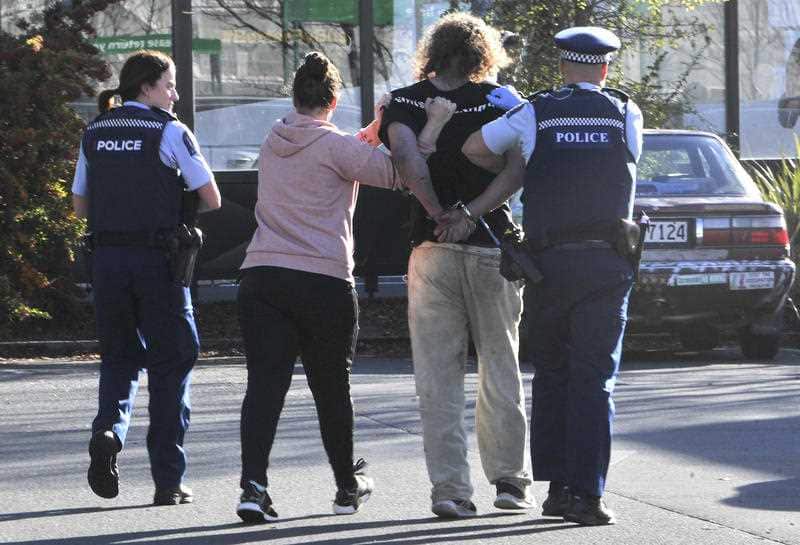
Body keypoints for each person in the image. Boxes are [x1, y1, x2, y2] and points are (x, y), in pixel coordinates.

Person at [235, 51, 454, 523]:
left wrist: (370, 134)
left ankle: (253, 488)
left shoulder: (273, 139)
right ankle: (344, 487)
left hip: (262, 276)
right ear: (334, 100)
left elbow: (333, 150)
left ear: (295, 96)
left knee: (264, 387)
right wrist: (430, 126)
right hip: (322, 280)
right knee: (331, 387)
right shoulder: (336, 147)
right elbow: (401, 174)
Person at [459, 26, 644, 525]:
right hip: (607, 265)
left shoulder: (534, 111)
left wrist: (522, 159)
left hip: (549, 267)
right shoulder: (626, 112)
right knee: (595, 379)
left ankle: (558, 490)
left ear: (562, 65)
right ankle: (590, 494)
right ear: (605, 67)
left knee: (555, 374)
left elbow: (474, 148)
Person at [378, 12, 533, 519]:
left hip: (430, 249)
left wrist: (438, 215)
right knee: (500, 366)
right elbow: (517, 172)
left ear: (433, 51)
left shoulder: (401, 100)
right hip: (493, 249)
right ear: (482, 53)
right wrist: (470, 214)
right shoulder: (502, 100)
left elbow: (408, 161)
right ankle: (509, 482)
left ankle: (450, 491)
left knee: (437, 377)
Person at [72, 50, 222, 505]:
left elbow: (80, 206)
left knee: (118, 358)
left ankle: (109, 434)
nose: (175, 95)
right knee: (172, 363)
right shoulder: (169, 129)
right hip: (159, 263)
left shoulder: (94, 131)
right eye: (170, 85)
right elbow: (211, 197)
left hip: (107, 262)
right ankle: (168, 481)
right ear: (147, 88)